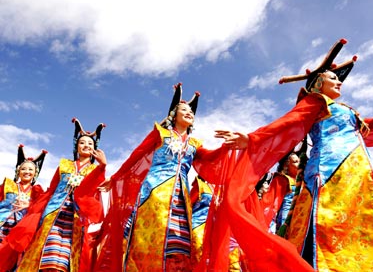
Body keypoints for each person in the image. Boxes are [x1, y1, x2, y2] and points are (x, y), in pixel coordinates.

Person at [214, 38, 373, 271]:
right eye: (333, 78)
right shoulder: (315, 103)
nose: (339, 83)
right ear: (318, 84)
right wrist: (253, 139)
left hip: (359, 176)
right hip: (328, 174)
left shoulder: (348, 113)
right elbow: (289, 124)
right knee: (328, 229)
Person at [94, 83, 229, 272]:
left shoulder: (195, 143)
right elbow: (137, 155)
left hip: (180, 199)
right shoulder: (160, 133)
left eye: (191, 111)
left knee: (178, 246)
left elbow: (210, 159)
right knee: (149, 238)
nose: (189, 113)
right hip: (155, 192)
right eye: (184, 109)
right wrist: (117, 177)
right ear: (173, 114)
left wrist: (228, 147)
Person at [0, 118, 107, 272]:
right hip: (54, 212)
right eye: (82, 142)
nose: (86, 146)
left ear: (95, 148)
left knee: (65, 260)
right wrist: (34, 209)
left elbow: (95, 192)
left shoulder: (94, 170)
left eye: (90, 144)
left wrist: (102, 166)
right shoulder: (64, 164)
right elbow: (51, 189)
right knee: (46, 253)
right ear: (76, 146)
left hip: (76, 218)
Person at [0, 144, 47, 242]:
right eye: (23, 169)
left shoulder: (38, 192)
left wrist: (29, 205)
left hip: (20, 231)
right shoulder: (8, 185)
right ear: (18, 171)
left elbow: (41, 211)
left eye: (30, 169)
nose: (27, 172)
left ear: (35, 173)